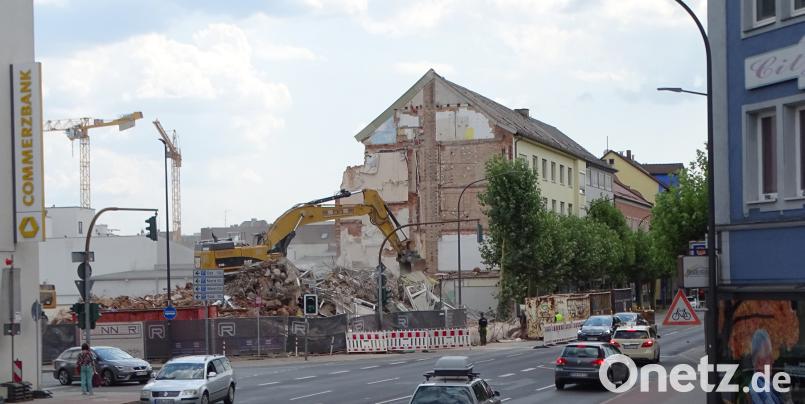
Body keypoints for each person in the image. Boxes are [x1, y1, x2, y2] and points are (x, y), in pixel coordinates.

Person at [748, 329, 790, 404]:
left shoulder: (768, 385)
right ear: (759, 362)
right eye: (769, 357)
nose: (773, 361)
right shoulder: (759, 388)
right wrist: (787, 400)